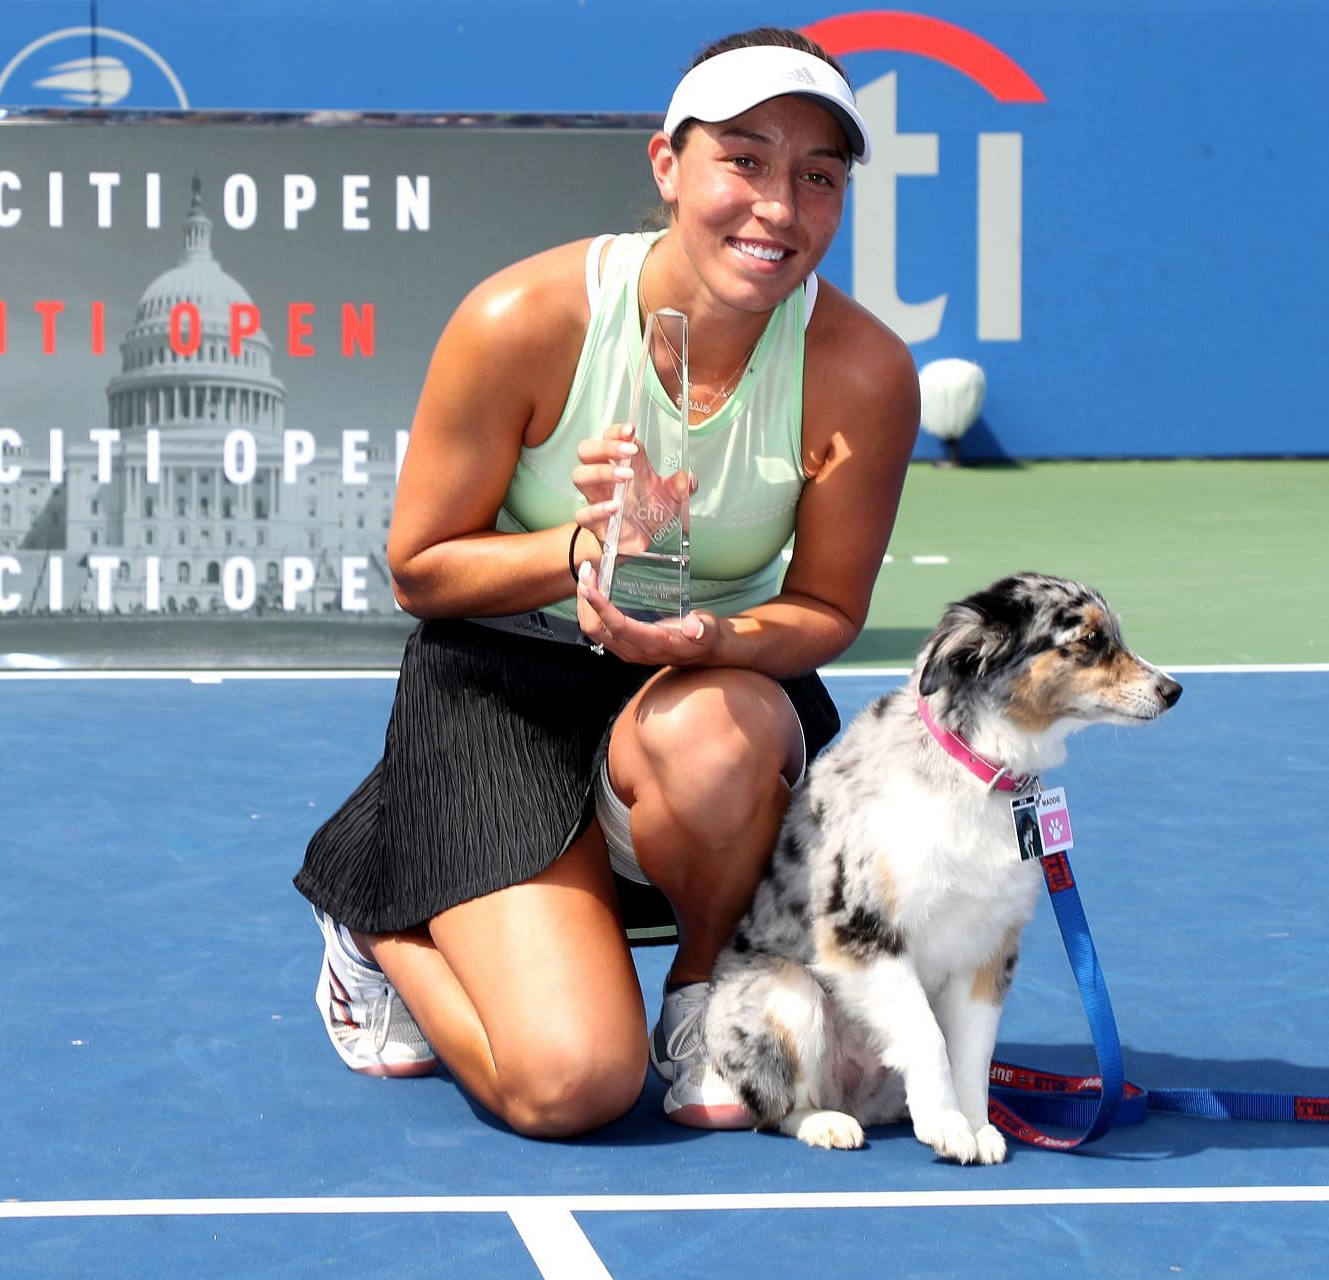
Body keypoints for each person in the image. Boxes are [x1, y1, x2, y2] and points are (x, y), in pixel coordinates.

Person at [293, 26, 920, 1138]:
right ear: (667, 167)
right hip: (502, 687)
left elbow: (825, 611)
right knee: (573, 1085)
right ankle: (375, 907)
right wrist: (580, 548)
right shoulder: (525, 319)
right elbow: (420, 569)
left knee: (725, 734)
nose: (779, 205)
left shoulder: (864, 371)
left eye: (818, 177)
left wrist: (706, 640)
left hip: (693, 695)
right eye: (746, 159)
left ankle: (697, 993)